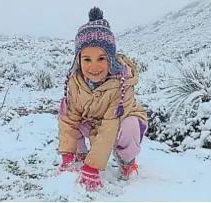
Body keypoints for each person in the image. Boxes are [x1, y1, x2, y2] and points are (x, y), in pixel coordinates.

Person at [56, 7, 148, 191]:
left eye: (101, 58)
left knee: (129, 126)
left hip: (118, 122)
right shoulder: (75, 82)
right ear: (78, 60)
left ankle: (127, 161)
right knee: (66, 112)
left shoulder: (121, 83)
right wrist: (67, 154)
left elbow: (110, 126)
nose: (94, 66)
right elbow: (69, 120)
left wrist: (94, 166)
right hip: (92, 122)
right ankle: (78, 157)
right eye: (87, 59)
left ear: (111, 59)